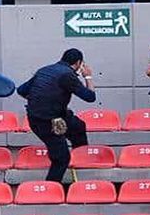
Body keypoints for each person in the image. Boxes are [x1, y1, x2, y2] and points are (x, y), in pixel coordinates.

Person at [17, 48, 96, 183]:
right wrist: (88, 77)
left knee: (78, 126)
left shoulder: (44, 70)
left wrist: (42, 101)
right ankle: (51, 188)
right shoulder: (68, 75)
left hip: (38, 117)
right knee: (61, 158)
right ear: (79, 63)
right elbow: (90, 97)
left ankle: (81, 158)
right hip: (47, 122)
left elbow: (21, 90)